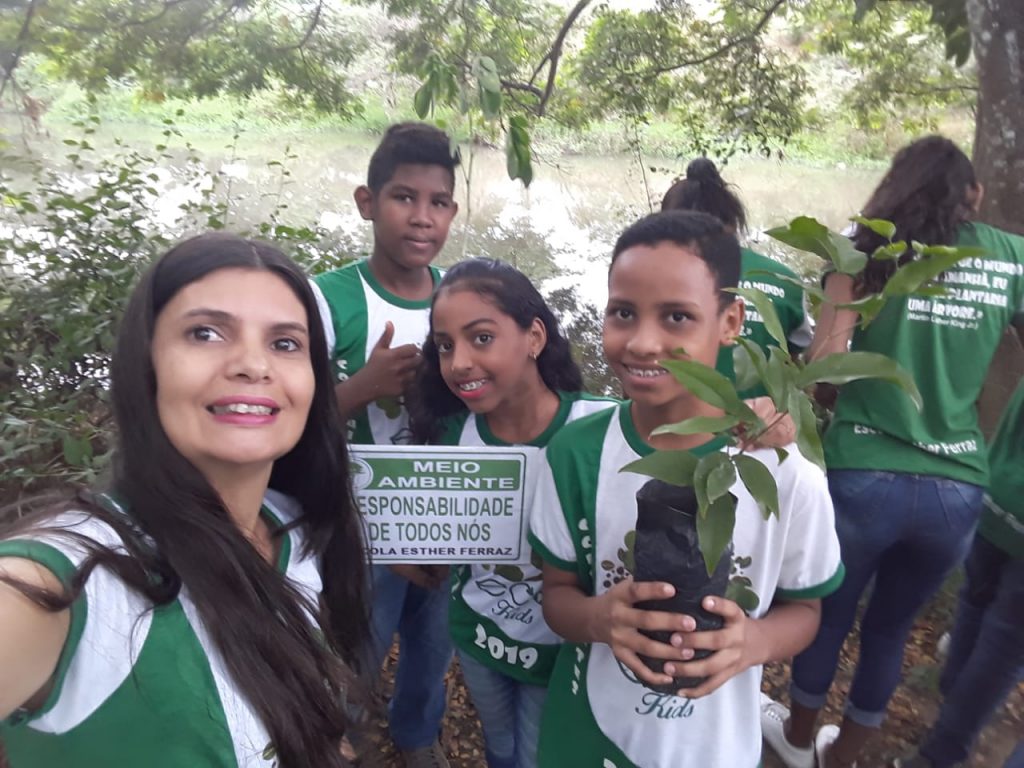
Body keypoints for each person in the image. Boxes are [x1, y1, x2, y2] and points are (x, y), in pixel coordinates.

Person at [0, 233, 368, 768]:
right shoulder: (67, 583)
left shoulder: (295, 528)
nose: (253, 364)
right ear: (145, 365)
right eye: (205, 333)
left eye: (286, 343)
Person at [527, 210, 844, 768]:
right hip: (588, 736)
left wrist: (754, 643)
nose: (643, 342)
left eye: (677, 317)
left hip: (714, 748)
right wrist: (601, 619)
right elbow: (557, 596)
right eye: (623, 312)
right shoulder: (575, 455)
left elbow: (805, 608)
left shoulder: (787, 471)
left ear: (730, 321)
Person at [760, 135, 1024, 768]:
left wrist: (828, 390)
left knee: (826, 614)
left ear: (894, 186)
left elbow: (827, 364)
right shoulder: (1010, 257)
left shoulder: (859, 250)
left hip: (864, 472)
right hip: (958, 487)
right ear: (973, 194)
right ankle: (844, 755)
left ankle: (797, 740)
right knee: (890, 629)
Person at [407, 258, 616, 768]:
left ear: (534, 337)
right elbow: (439, 552)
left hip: (564, 649)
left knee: (535, 756)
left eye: (481, 338)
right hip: (479, 637)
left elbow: (686, 447)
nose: (459, 363)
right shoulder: (451, 435)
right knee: (500, 748)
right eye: (445, 346)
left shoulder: (602, 428)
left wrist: (759, 426)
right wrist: (409, 554)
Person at [311, 121, 460, 768]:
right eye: (404, 197)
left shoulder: (462, 300)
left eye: (438, 202)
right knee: (356, 646)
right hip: (359, 528)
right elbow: (287, 421)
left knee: (435, 643)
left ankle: (417, 734)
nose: (421, 217)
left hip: (447, 522)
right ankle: (336, 732)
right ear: (367, 202)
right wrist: (362, 388)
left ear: (452, 211)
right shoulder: (326, 301)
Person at [896, 380, 1024, 768]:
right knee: (1005, 645)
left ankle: (952, 702)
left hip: (999, 493)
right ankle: (941, 751)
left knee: (976, 600)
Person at [661, 158, 812, 397]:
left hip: (676, 418)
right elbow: (793, 363)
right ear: (732, 221)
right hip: (759, 419)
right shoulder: (785, 280)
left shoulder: (651, 276)